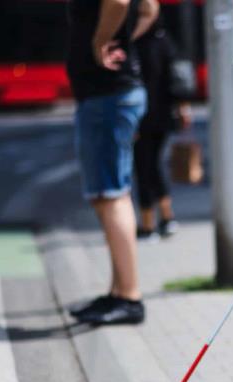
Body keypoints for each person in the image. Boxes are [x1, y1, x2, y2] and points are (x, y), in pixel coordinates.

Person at [67, 0, 159, 324]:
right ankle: (118, 291)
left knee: (111, 195)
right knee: (109, 195)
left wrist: (100, 41)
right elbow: (149, 8)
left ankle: (129, 297)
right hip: (112, 93)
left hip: (106, 94)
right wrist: (121, 38)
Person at [134, 17, 188, 242]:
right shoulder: (164, 39)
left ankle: (148, 224)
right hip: (162, 115)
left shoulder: (134, 43)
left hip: (142, 116)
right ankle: (166, 217)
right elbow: (176, 78)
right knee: (152, 165)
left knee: (144, 167)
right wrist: (183, 107)